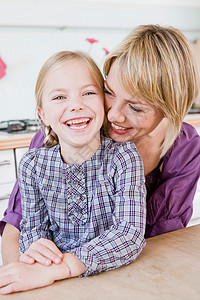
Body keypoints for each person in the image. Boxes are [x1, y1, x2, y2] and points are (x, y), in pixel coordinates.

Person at [1, 24, 200, 262]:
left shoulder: (185, 149)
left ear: (170, 108)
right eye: (109, 92)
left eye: (135, 107)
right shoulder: (62, 137)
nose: (114, 115)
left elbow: (163, 240)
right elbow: (17, 229)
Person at [0, 50, 146, 294]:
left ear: (103, 102)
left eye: (88, 93)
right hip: (54, 281)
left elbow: (129, 234)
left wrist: (63, 266)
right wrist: (36, 249)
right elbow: (33, 230)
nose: (76, 105)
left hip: (115, 278)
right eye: (59, 97)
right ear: (43, 115)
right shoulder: (32, 165)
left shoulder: (124, 157)